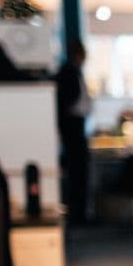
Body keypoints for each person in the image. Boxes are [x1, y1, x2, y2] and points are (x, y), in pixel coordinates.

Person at [54, 39, 92, 225]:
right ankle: (77, 215)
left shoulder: (75, 71)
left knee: (80, 172)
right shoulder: (67, 72)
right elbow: (67, 102)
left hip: (77, 126)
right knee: (76, 172)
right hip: (72, 127)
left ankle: (81, 213)